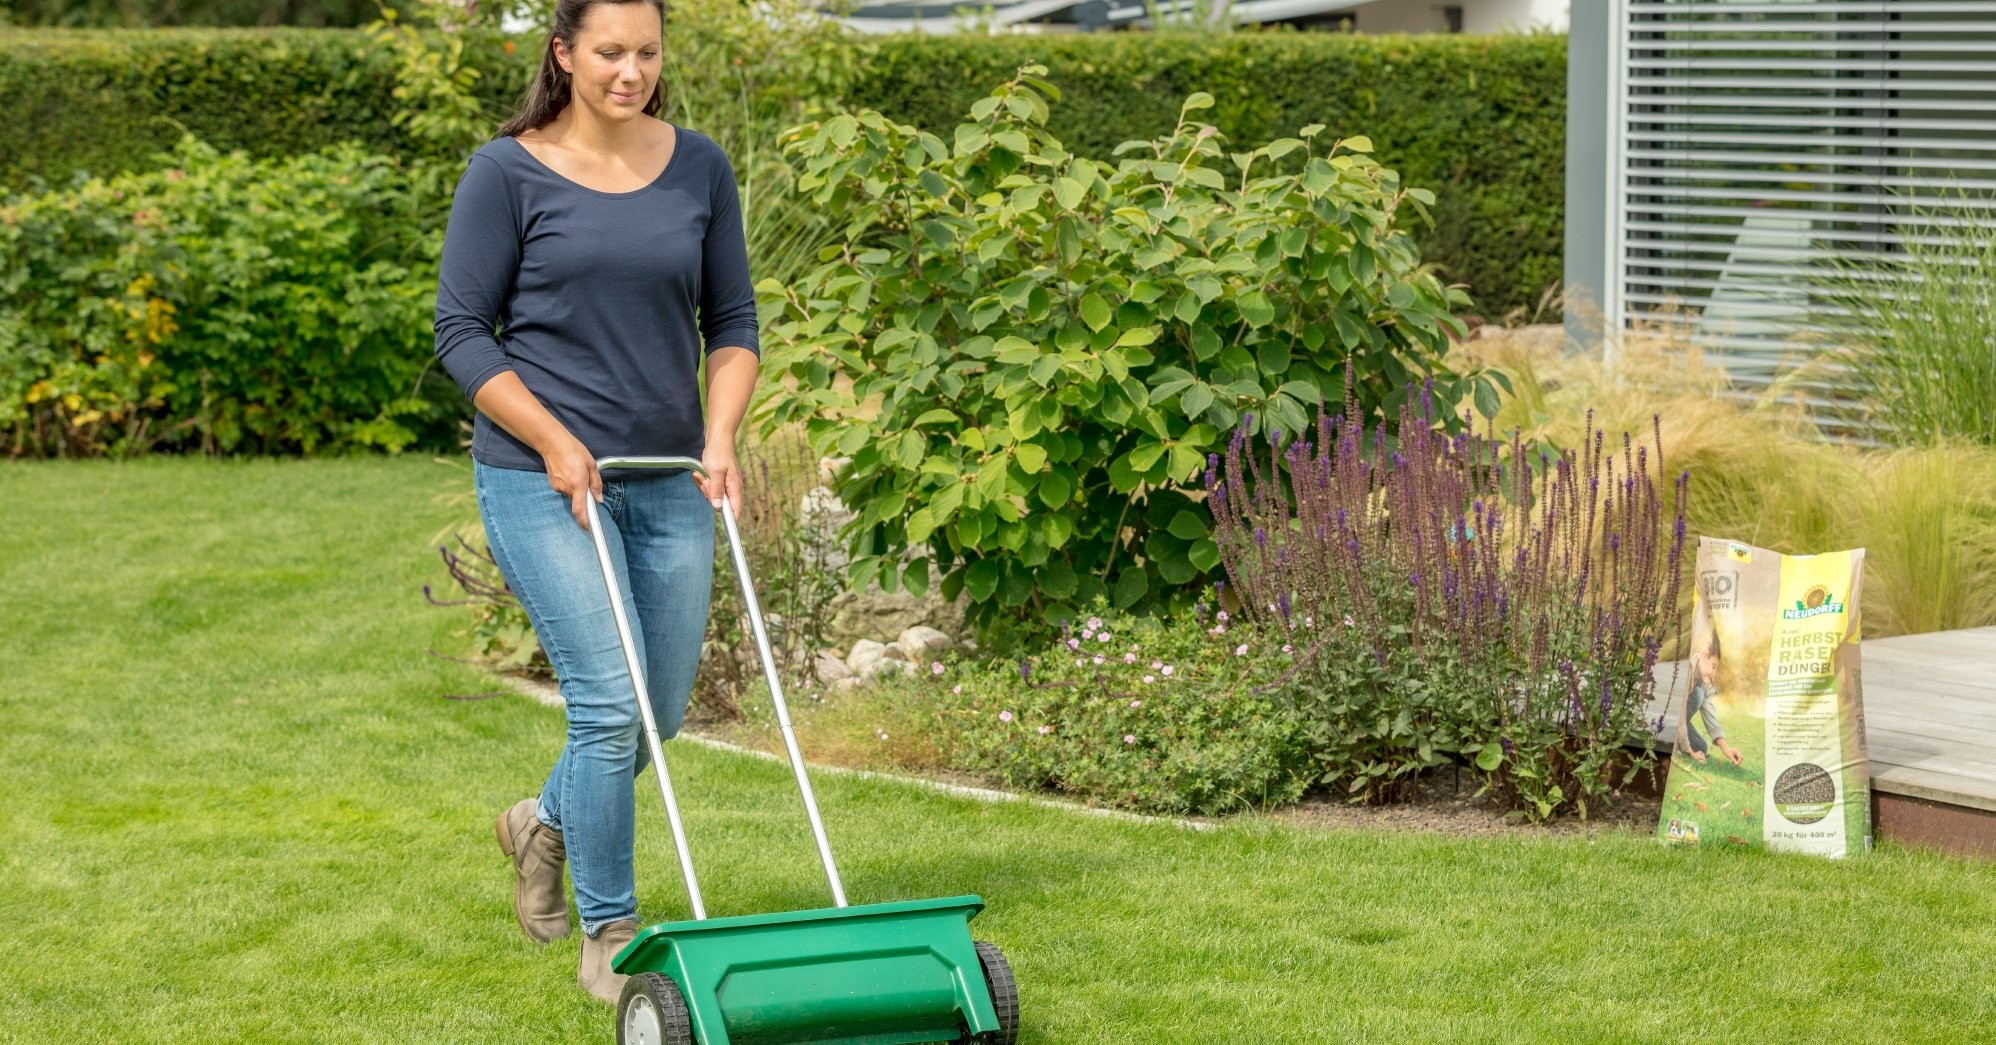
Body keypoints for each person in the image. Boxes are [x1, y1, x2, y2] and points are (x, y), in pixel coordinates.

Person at [431, 0, 760, 1005]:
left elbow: (734, 319)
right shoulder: (507, 171)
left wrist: (719, 437)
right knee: (608, 703)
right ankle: (610, 931)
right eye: (609, 52)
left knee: (655, 714)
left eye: (648, 52)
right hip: (543, 478)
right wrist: (555, 439)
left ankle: (542, 823)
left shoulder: (698, 164)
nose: (631, 71)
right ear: (564, 53)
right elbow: (461, 332)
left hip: (667, 476)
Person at [1683, 629, 1742, 767]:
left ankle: (1682, 745)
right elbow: (1679, 718)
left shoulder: (1707, 683)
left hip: (1682, 723)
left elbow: (1711, 717)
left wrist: (1726, 749)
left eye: (1716, 669)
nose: (1713, 674)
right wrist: (1691, 753)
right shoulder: (1688, 668)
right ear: (1704, 656)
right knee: (1698, 695)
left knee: (1701, 747)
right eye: (1713, 666)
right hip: (1672, 717)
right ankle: (1681, 745)